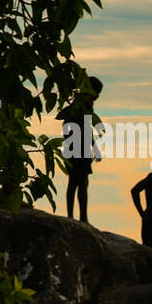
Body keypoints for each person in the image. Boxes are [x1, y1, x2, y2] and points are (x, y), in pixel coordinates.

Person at [58, 76, 103, 223]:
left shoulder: (87, 105)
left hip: (81, 147)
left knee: (81, 182)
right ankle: (73, 216)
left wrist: (94, 147)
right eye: (97, 93)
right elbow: (67, 124)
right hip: (75, 147)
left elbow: (87, 129)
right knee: (77, 182)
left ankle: (81, 216)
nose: (97, 97)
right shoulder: (79, 104)